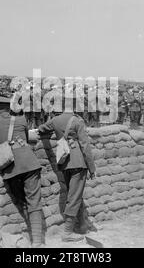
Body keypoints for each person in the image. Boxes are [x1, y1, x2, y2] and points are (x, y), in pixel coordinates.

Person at [0, 96, 44, 247]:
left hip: (11, 168)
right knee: (34, 202)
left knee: (21, 201)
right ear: (10, 107)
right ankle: (37, 241)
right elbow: (25, 139)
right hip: (30, 163)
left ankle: (26, 231)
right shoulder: (21, 120)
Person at [38, 94, 96, 242]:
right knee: (74, 197)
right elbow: (85, 145)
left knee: (74, 194)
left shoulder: (55, 120)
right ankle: (67, 232)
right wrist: (92, 167)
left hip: (63, 161)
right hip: (78, 162)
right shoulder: (78, 120)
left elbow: (41, 129)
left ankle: (82, 225)